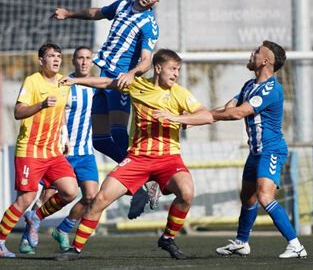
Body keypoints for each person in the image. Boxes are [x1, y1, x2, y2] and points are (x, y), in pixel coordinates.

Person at [55, 49, 213, 261]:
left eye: (178, 70)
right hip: (138, 158)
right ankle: (75, 249)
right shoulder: (137, 85)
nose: (176, 74)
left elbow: (207, 116)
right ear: (158, 68)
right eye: (172, 69)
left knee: (186, 193)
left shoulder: (179, 93)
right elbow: (107, 83)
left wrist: (175, 117)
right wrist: (76, 81)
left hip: (169, 158)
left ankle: (167, 238)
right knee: (100, 198)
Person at [53, 0, 169, 217]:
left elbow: (147, 60)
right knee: (100, 140)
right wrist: (70, 14)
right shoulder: (122, 6)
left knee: (118, 132)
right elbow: (96, 12)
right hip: (103, 76)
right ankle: (142, 182)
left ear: (157, 1)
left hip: (121, 82)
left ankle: (144, 181)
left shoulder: (149, 24)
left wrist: (132, 73)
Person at [212, 41, 307, 259]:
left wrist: (204, 117)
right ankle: (241, 242)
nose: (252, 54)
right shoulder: (248, 86)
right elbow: (227, 109)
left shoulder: (271, 89)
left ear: (265, 61)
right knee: (247, 198)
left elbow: (237, 113)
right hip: (255, 152)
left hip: (271, 150)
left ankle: (296, 245)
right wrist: (195, 118)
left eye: (256, 52)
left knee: (264, 196)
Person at [0, 43, 78, 258]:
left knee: (70, 191)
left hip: (53, 151)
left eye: (58, 56)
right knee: (25, 199)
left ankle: (36, 217)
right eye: (50, 56)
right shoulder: (32, 81)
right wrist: (41, 104)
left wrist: (64, 137)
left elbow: (61, 112)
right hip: (30, 149)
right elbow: (18, 112)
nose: (56, 59)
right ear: (41, 61)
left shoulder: (65, 82)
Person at [18, 46, 99, 254]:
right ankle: (28, 235)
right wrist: (62, 137)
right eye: (80, 58)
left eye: (88, 58)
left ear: (92, 61)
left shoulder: (95, 86)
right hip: (60, 151)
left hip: (85, 151)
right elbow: (55, 109)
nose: (84, 62)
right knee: (47, 196)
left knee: (91, 196)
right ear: (73, 61)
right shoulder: (64, 83)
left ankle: (63, 229)